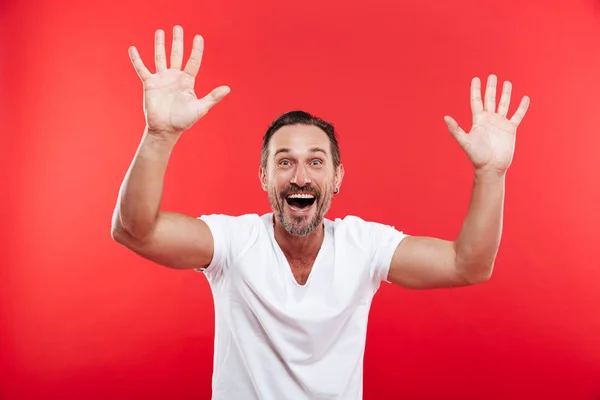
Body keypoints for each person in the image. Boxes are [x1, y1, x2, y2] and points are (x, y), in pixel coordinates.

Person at [111, 25, 530, 400]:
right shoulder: (233, 243)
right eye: (284, 161)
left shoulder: (363, 246)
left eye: (315, 161)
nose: (299, 177)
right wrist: (159, 134)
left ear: (336, 178)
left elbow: (469, 265)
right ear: (263, 176)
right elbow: (135, 231)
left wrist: (490, 174)